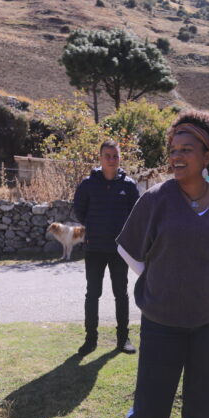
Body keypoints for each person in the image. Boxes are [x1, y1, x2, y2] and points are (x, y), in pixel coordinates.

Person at [116, 110, 209, 418]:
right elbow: (130, 251)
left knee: (202, 413)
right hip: (162, 323)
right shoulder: (156, 200)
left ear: (208, 155)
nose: (177, 156)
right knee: (149, 413)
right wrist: (164, 280)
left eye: (186, 149)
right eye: (173, 149)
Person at [73, 140, 140, 355]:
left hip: (120, 250)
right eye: (107, 156)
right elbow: (79, 211)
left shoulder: (128, 185)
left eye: (115, 156)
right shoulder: (87, 184)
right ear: (100, 158)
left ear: (120, 158)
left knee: (121, 294)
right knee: (93, 294)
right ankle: (90, 339)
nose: (112, 160)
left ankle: (123, 339)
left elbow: (135, 215)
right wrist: (94, 229)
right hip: (94, 249)